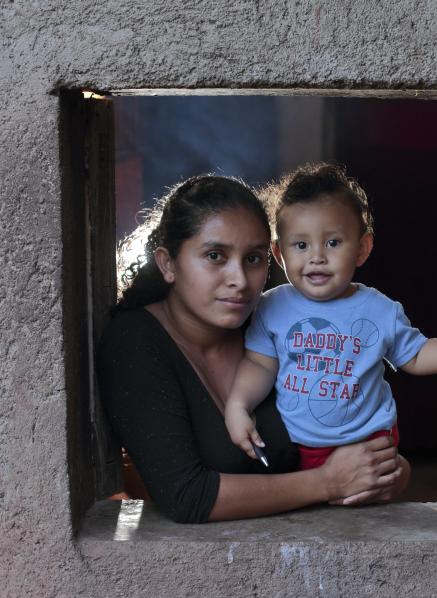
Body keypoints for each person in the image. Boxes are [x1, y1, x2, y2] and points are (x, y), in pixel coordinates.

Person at [97, 175, 408, 524]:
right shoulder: (134, 342)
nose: (240, 281)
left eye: (255, 259)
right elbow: (187, 495)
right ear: (168, 264)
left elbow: (362, 445)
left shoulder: (271, 323)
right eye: (215, 256)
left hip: (316, 550)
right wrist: (328, 482)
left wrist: (384, 472)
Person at [224, 163, 437, 472]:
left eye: (333, 243)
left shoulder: (379, 309)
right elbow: (260, 364)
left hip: (368, 443)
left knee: (363, 509)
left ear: (362, 248)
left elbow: (418, 356)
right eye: (301, 245)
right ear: (279, 253)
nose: (317, 256)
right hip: (296, 445)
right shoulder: (272, 306)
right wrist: (238, 406)